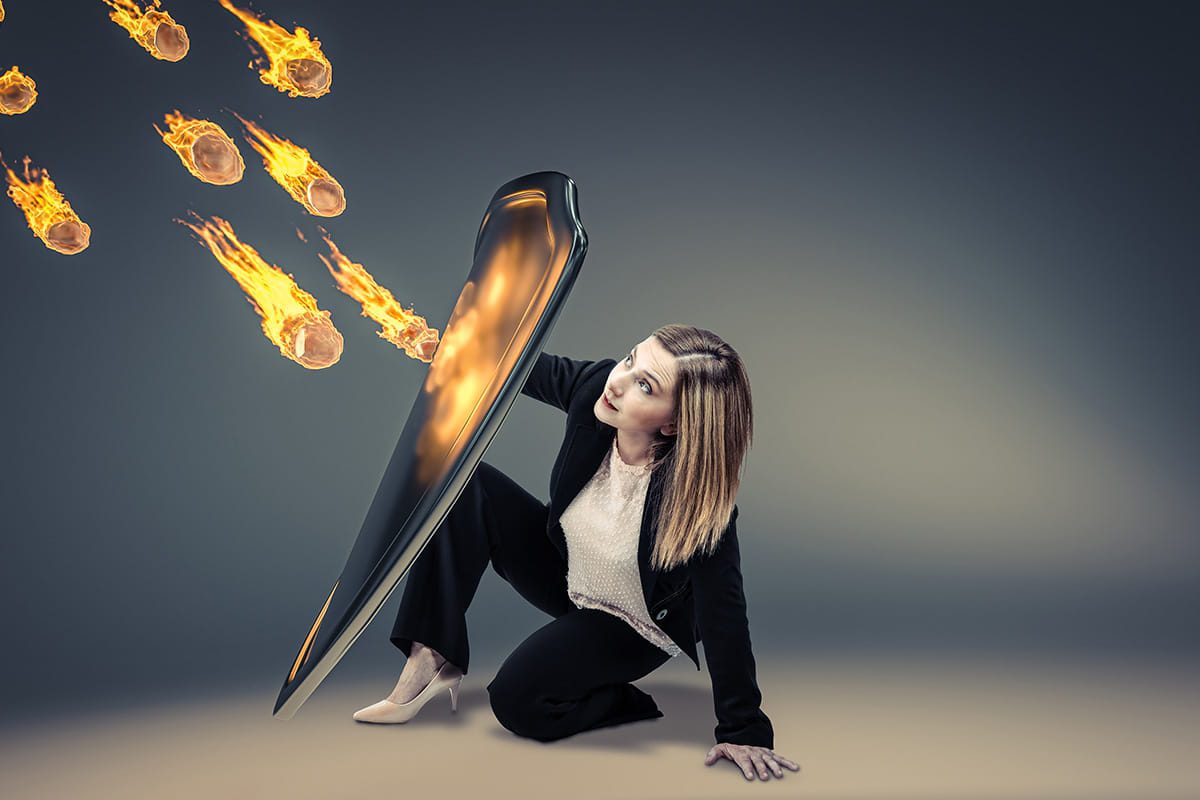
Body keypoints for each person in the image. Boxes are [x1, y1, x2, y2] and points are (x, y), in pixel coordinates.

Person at [352, 323, 800, 782]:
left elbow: (724, 617)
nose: (619, 382)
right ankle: (431, 655)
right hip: (570, 573)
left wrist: (744, 729)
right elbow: (515, 364)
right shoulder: (597, 391)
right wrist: (447, 345)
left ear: (674, 422)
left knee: (516, 701)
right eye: (630, 359)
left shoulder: (700, 505)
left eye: (645, 385)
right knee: (464, 482)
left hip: (632, 624)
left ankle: (623, 699)